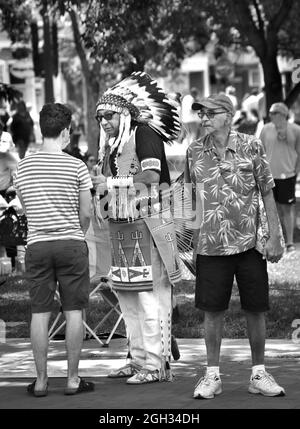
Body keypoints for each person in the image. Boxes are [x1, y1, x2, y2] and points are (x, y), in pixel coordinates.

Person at [185, 93, 285, 399]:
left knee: (256, 309)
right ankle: (211, 376)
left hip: (250, 244)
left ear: (227, 115)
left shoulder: (251, 145)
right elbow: (189, 199)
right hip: (210, 247)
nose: (202, 118)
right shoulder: (193, 151)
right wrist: (185, 243)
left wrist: (276, 236)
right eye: (200, 113)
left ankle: (258, 373)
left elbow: (267, 192)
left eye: (209, 113)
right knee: (211, 311)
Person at [92, 71, 182, 384]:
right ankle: (137, 358)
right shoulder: (112, 144)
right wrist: (102, 200)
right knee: (126, 296)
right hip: (121, 230)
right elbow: (107, 186)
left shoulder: (143, 134)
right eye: (99, 117)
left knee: (149, 297)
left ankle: (156, 365)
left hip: (150, 227)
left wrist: (111, 182)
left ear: (125, 114)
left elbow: (152, 178)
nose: (103, 122)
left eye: (108, 116)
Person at [14, 103, 94, 396]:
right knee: (74, 311)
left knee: (39, 312)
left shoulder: (23, 166)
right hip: (71, 243)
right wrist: (78, 234)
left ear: (40, 128)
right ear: (65, 132)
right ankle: (73, 379)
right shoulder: (76, 166)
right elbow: (86, 211)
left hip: (37, 244)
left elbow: (24, 206)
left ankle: (41, 380)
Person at [260, 102, 300, 252]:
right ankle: (275, 239)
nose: (270, 115)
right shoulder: (265, 129)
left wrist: (296, 170)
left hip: (287, 175)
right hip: (268, 175)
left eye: (274, 113)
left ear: (283, 114)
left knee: (287, 208)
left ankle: (289, 242)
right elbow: (259, 151)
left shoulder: (296, 129)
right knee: (271, 209)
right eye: (270, 113)